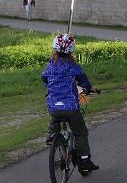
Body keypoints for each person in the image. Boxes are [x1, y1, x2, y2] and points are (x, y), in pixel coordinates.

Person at [41, 34, 100, 172]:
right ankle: (84, 161)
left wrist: (51, 87)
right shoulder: (74, 66)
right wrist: (87, 89)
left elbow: (44, 78)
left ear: (54, 49)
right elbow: (83, 81)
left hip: (54, 106)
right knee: (80, 132)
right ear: (72, 51)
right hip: (71, 107)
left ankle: (52, 136)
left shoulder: (50, 65)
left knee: (55, 118)